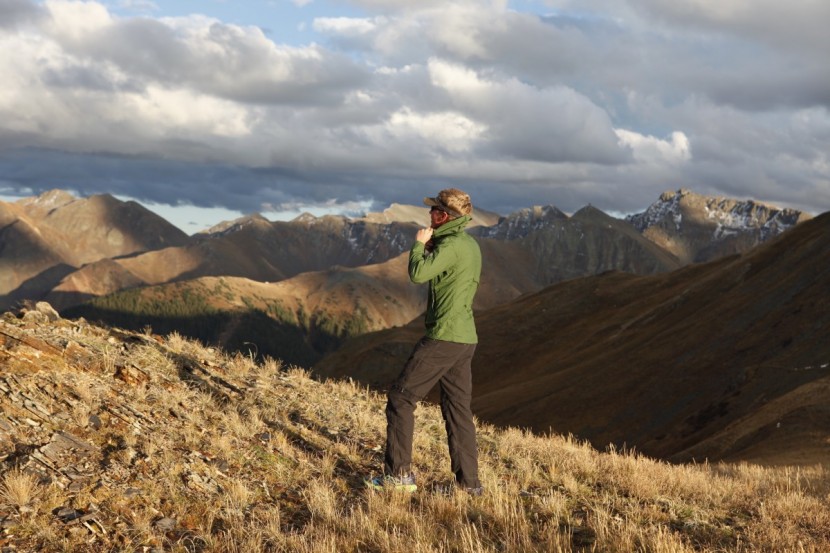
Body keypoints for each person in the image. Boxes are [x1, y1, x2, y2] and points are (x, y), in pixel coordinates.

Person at [367, 188, 483, 494]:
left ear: (444, 216)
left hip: (443, 336)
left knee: (401, 398)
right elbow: (451, 275)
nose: (429, 214)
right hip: (464, 338)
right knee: (458, 410)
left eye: (433, 211)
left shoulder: (452, 245)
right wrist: (434, 246)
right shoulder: (467, 244)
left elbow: (418, 275)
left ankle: (398, 477)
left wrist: (419, 247)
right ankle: (469, 486)